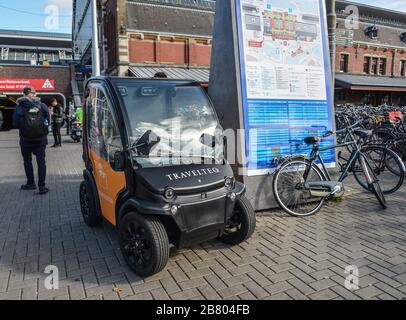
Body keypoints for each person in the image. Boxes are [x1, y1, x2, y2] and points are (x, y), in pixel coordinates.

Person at [13, 86, 50, 195]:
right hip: (40, 139)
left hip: (25, 140)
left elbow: (15, 124)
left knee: (27, 161)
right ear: (35, 93)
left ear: (23, 94)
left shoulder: (20, 106)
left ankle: (30, 183)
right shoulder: (42, 106)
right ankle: (42, 186)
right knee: (41, 162)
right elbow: (48, 121)